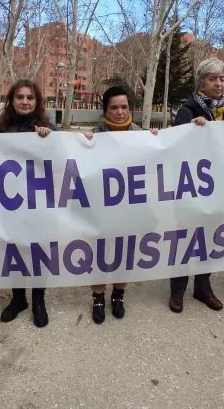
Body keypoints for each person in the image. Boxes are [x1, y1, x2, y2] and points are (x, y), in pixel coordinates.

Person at [0, 79, 56, 328]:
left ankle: (39, 300)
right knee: (14, 250)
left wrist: (50, 138)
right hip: (8, 202)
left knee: (37, 251)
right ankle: (19, 299)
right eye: (19, 97)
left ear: (37, 102)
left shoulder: (47, 128)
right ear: (11, 101)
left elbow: (64, 157)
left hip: (37, 202)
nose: (24, 102)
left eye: (30, 98)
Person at [168, 58, 224, 313]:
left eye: (221, 78)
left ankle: (203, 287)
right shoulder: (188, 109)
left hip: (217, 186)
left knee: (210, 237)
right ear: (202, 82)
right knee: (185, 238)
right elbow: (176, 144)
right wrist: (191, 129)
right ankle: (177, 290)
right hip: (189, 186)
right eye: (213, 78)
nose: (219, 83)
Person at [83, 85, 158, 324]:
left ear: (130, 110)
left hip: (132, 207)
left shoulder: (142, 136)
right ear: (105, 109)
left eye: (124, 107)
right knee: (99, 252)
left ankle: (118, 294)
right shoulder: (93, 136)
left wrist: (158, 141)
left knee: (125, 252)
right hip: (101, 208)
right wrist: (82, 145)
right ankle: (98, 296)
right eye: (114, 107)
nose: (119, 112)